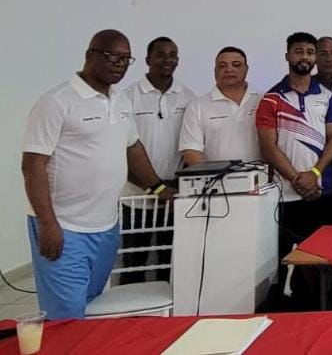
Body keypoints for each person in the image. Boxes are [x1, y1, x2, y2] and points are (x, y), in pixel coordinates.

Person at [21, 29, 174, 319]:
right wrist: (48, 224)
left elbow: (133, 149)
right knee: (65, 316)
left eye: (125, 59)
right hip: (64, 226)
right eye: (112, 56)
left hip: (105, 225)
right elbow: (33, 165)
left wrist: (158, 188)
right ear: (90, 54)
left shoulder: (121, 100)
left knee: (92, 305)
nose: (119, 64)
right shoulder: (56, 101)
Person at [257, 32, 332, 274]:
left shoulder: (328, 97)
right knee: (282, 263)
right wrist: (297, 178)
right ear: (287, 56)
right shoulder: (271, 98)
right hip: (284, 195)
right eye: (298, 52)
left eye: (309, 52)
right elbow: (268, 146)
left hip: (322, 191)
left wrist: (314, 174)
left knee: (322, 262)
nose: (304, 57)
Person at [120, 36, 195, 284]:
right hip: (135, 198)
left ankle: (168, 308)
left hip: (173, 198)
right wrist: (154, 187)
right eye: (161, 54)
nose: (167, 60)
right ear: (147, 59)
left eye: (172, 55)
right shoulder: (128, 97)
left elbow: (191, 145)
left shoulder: (187, 97)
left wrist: (174, 187)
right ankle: (132, 309)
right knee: (134, 264)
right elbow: (123, 151)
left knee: (171, 263)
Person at [179, 46, 262, 165]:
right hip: (214, 176)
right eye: (222, 66)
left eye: (236, 65)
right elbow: (191, 151)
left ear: (246, 69)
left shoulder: (263, 100)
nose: (229, 69)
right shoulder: (197, 106)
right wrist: (213, 176)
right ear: (215, 71)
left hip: (260, 175)